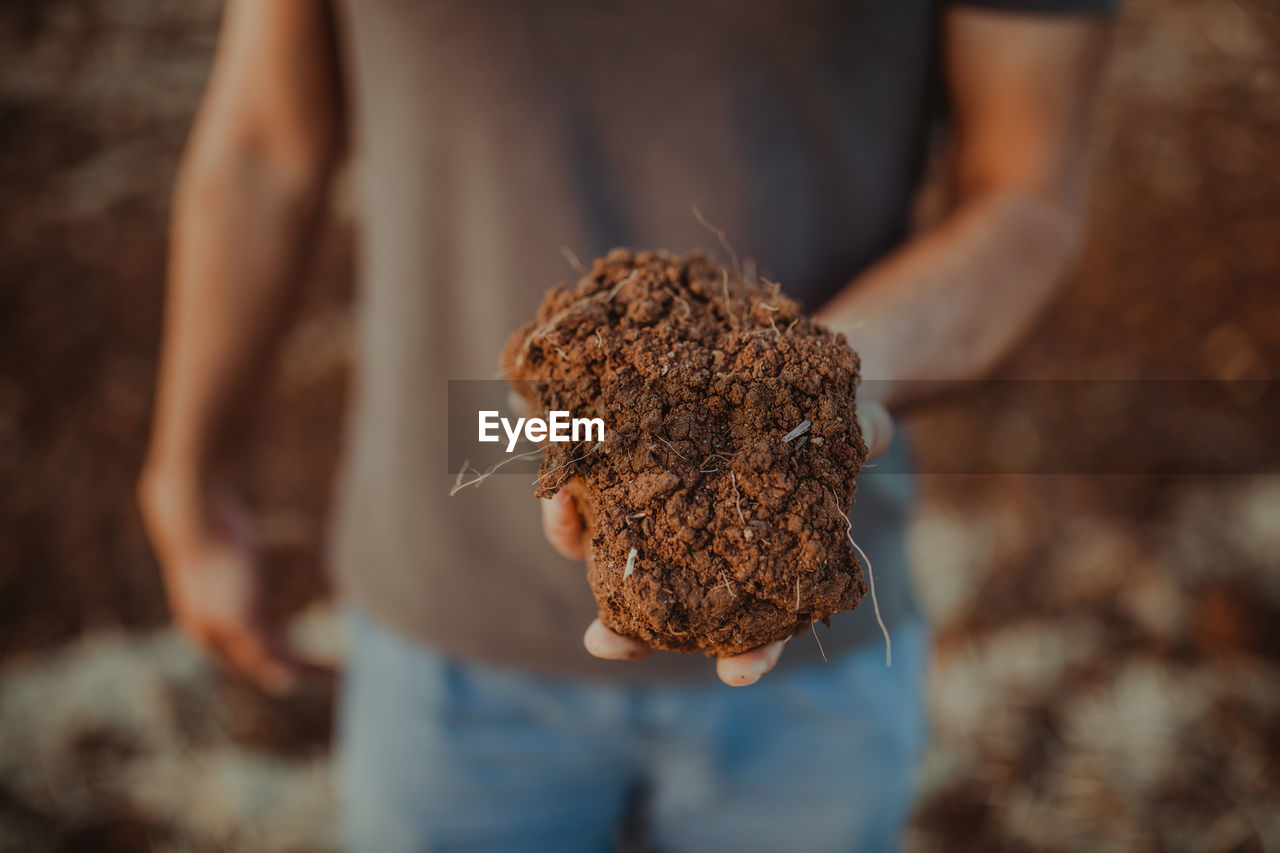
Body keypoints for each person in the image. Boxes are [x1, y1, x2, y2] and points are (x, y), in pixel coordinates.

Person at [138, 1, 1115, 849]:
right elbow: (266, 141)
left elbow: (1022, 189)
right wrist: (186, 466)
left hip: (804, 620)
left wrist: (820, 380)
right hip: (448, 607)